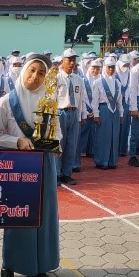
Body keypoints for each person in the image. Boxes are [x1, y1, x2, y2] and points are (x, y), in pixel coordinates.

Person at [0, 53, 60, 277]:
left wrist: (57, 144)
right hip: (18, 167)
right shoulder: (6, 102)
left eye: (41, 73)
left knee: (44, 215)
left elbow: (57, 132)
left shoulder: (50, 101)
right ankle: (8, 266)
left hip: (45, 165)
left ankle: (39, 266)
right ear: (23, 72)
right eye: (32, 71)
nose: (35, 76)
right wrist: (18, 141)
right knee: (17, 216)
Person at [55, 48, 84, 184]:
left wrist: (80, 116)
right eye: (69, 60)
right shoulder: (56, 78)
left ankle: (67, 172)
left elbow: (80, 99)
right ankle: (56, 174)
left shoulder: (78, 79)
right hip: (60, 113)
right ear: (62, 61)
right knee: (59, 144)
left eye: (74, 60)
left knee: (72, 145)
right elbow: (51, 98)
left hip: (73, 113)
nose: (72, 63)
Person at [92, 56, 124, 169]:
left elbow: (120, 101)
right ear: (105, 67)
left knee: (114, 137)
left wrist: (121, 114)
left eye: (113, 67)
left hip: (114, 110)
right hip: (104, 109)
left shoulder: (118, 83)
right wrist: (96, 114)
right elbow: (95, 100)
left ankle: (112, 161)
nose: (111, 70)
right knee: (103, 136)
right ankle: (101, 161)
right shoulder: (98, 82)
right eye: (109, 67)